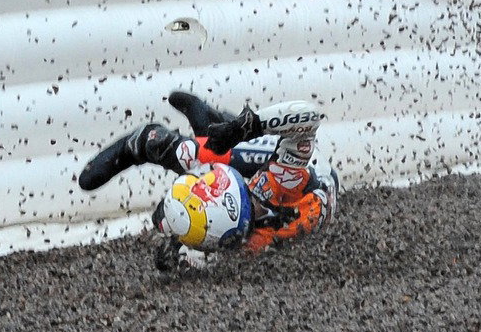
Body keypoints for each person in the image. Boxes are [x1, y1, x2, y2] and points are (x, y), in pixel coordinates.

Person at [78, 90, 338, 270]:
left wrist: (173, 243)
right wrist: (245, 127)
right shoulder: (285, 180)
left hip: (286, 197)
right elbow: (307, 116)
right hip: (307, 171)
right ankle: (205, 127)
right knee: (194, 158)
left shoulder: (244, 247)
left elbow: (188, 257)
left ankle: (199, 128)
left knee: (169, 206)